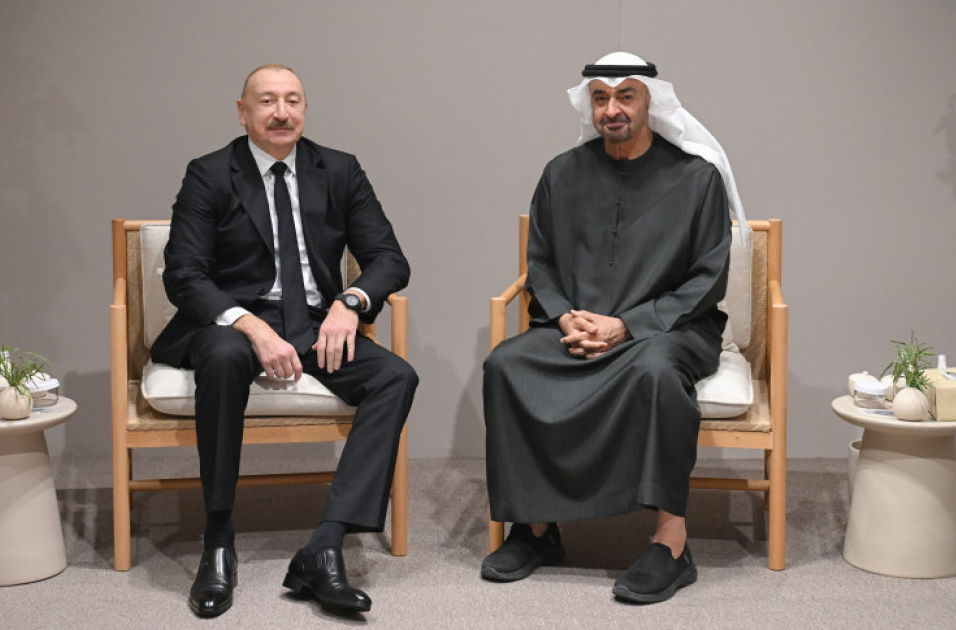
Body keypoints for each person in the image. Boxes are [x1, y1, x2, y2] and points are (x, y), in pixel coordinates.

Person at [481, 51, 748, 604]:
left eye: (626, 96)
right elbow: (541, 263)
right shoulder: (561, 173)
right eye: (600, 98)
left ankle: (671, 544)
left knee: (656, 373)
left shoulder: (696, 178)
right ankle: (535, 530)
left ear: (651, 101)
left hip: (671, 330)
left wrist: (628, 325)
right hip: (575, 325)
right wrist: (565, 316)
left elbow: (707, 279)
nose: (612, 109)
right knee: (506, 364)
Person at [152, 64, 417, 618]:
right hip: (230, 322)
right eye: (268, 101)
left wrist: (350, 302)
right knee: (224, 357)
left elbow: (389, 259)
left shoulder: (339, 169)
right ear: (243, 111)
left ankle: (325, 545)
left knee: (395, 376)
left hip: (315, 320)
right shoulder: (210, 173)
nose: (281, 112)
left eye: (292, 100)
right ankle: (218, 541)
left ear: (304, 109)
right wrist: (251, 325)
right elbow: (184, 274)